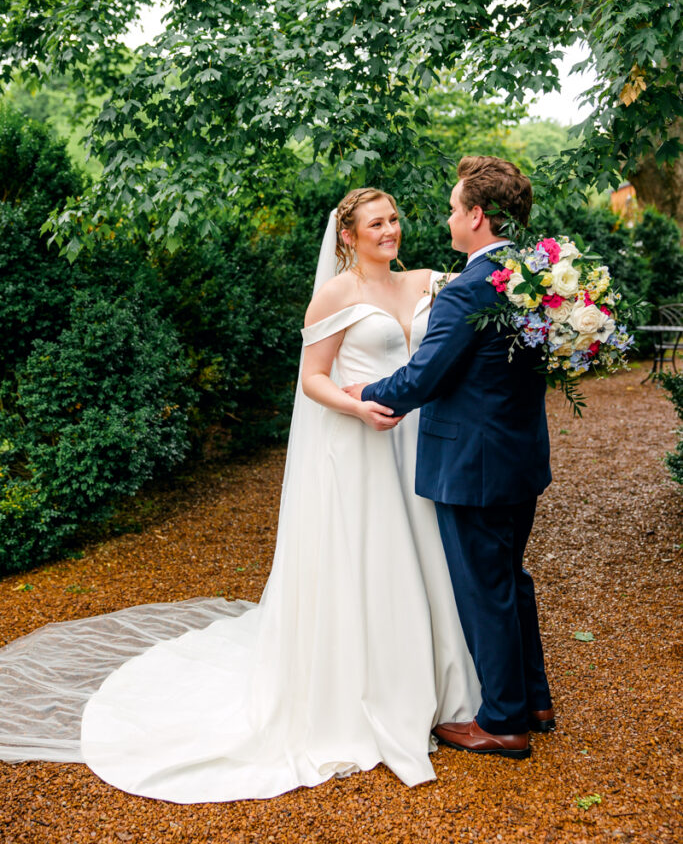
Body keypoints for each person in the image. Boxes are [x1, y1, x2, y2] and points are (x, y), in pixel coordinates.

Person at [0, 187, 479, 802]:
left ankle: (442, 684)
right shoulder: (335, 294)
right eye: (376, 223)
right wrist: (359, 408)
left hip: (414, 442)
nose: (390, 231)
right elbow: (312, 381)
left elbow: (484, 293)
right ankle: (374, 689)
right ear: (348, 237)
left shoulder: (425, 283)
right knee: (372, 562)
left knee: (424, 555)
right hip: (362, 444)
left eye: (394, 220)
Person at [346, 156, 554, 759]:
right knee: (511, 578)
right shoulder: (534, 275)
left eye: (455, 207)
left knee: (485, 588)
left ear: (478, 216)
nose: (447, 216)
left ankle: (505, 722)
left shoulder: (470, 288)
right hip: (518, 456)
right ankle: (533, 698)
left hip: (472, 464)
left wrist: (365, 393)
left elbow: (422, 378)